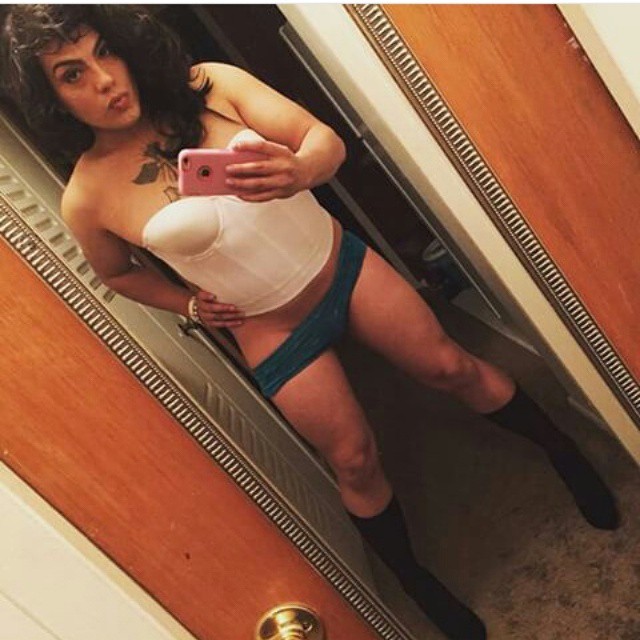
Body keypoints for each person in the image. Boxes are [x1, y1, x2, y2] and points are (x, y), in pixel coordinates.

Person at [1, 6, 619, 639]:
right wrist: (186, 304)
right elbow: (117, 274)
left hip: (339, 266)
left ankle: (564, 452)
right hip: (267, 327)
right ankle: (418, 582)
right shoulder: (87, 197)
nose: (105, 79)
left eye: (105, 51)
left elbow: (324, 140)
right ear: (52, 99)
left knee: (450, 366)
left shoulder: (210, 85)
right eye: (72, 73)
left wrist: (299, 170)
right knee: (353, 459)